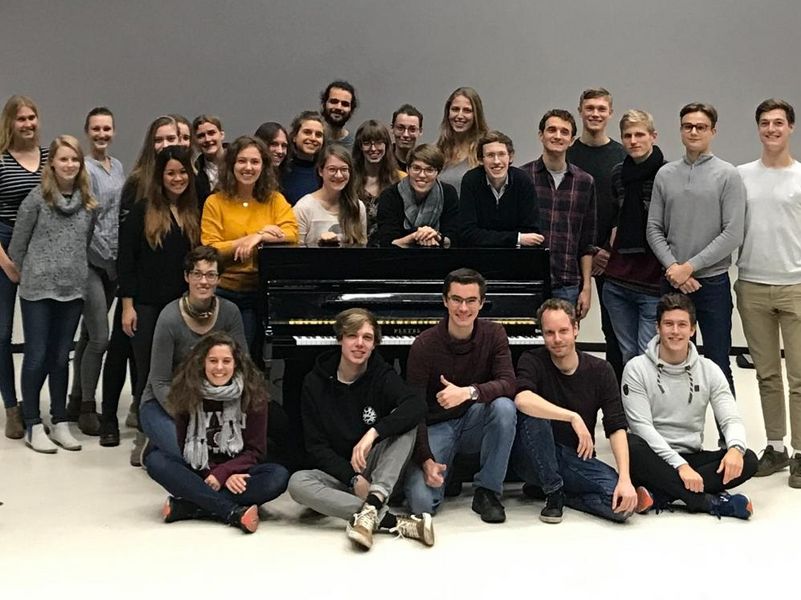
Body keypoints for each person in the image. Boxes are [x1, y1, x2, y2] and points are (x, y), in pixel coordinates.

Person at [288, 308, 433, 550]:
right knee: (297, 483)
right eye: (352, 336)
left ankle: (374, 501)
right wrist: (352, 478)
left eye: (367, 338)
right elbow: (316, 447)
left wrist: (374, 432)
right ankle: (389, 519)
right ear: (340, 339)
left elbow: (416, 405)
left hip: (379, 472)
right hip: (341, 476)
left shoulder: (381, 374)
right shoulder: (315, 382)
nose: (359, 344)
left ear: (374, 344)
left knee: (408, 424)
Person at [623, 294, 759, 518]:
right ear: (657, 327)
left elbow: (731, 419)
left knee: (748, 459)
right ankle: (709, 502)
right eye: (668, 324)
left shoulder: (709, 369)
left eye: (682, 325)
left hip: (692, 456)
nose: (675, 331)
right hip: (653, 457)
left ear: (693, 330)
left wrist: (735, 448)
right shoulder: (636, 369)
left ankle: (662, 494)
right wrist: (680, 466)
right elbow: (642, 428)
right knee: (631, 445)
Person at [144, 332, 289, 534]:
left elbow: (255, 451)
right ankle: (231, 511)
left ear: (236, 364)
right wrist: (212, 474)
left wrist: (225, 473)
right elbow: (185, 447)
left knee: (277, 476)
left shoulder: (253, 395)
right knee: (155, 460)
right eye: (213, 361)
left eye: (226, 361)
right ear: (202, 363)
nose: (219, 367)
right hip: (200, 469)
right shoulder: (186, 393)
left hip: (239, 470)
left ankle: (191, 506)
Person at [646, 102, 746, 394]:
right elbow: (654, 228)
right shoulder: (665, 174)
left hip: (712, 285)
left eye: (700, 127)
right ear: (680, 130)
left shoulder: (728, 175)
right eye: (687, 126)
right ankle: (674, 424)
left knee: (717, 363)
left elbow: (732, 234)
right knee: (671, 361)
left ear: (713, 131)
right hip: (672, 283)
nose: (693, 132)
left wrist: (689, 268)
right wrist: (674, 268)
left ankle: (727, 425)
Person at [511, 298, 640, 523]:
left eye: (563, 331)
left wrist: (625, 479)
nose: (557, 339)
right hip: (533, 457)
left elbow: (616, 425)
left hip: (575, 458)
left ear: (576, 329)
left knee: (621, 507)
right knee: (535, 415)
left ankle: (561, 494)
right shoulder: (532, 360)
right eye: (549, 333)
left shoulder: (601, 370)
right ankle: (553, 491)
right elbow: (522, 399)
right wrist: (572, 417)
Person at [404, 269, 517, 522]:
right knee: (421, 504)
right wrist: (425, 459)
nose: (463, 308)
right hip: (436, 427)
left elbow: (509, 383)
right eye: (456, 299)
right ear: (445, 301)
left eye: (471, 300)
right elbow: (414, 408)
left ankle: (487, 491)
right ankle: (450, 470)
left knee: (504, 407)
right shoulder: (425, 344)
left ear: (482, 303)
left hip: (475, 421)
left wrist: (468, 392)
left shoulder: (494, 334)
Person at [8, 135, 97, 453]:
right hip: (38, 291)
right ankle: (33, 423)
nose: (69, 165)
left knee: (61, 357)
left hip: (72, 289)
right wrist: (28, 273)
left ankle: (60, 421)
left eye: (75, 159)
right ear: (52, 164)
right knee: (36, 356)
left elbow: (84, 242)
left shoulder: (88, 203)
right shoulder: (36, 199)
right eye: (63, 159)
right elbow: (18, 245)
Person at [114, 245, 246, 449]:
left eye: (211, 275)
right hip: (166, 402)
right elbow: (159, 382)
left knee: (222, 450)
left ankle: (159, 450)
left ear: (219, 279)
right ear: (187, 277)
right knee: (188, 450)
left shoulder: (230, 313)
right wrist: (190, 417)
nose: (203, 281)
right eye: (197, 274)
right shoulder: (169, 317)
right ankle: (151, 447)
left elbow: (243, 366)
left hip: (214, 400)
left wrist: (220, 410)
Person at [118, 145, 199, 463]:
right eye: (171, 173)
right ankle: (144, 434)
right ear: (160, 176)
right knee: (148, 374)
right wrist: (127, 305)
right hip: (146, 305)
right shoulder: (143, 210)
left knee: (180, 371)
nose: (177, 178)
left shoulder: (194, 210)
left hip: (182, 306)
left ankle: (173, 433)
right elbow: (126, 259)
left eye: (182, 172)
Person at [736, 98, 801, 488]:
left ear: (790, 127)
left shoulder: (800, 177)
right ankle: (776, 448)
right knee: (766, 374)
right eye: (765, 123)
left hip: (795, 286)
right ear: (758, 128)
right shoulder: (741, 176)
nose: (772, 129)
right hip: (752, 285)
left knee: (800, 376)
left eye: (779, 122)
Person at [103, 115, 180, 434]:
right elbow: (128, 248)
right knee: (122, 349)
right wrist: (127, 299)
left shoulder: (186, 188)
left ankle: (142, 411)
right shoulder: (138, 181)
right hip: (138, 291)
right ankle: (109, 417)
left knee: (154, 361)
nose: (165, 144)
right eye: (159, 139)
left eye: (171, 138)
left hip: (168, 293)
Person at [201, 135, 298, 351]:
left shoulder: (275, 200)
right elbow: (211, 248)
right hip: (223, 291)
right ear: (231, 165)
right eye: (242, 161)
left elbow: (292, 233)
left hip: (258, 291)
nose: (248, 167)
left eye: (255, 162)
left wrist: (259, 236)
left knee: (247, 354)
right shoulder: (215, 202)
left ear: (263, 166)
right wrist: (247, 239)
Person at [67, 107, 125, 436]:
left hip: (113, 264)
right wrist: (100, 256)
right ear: (87, 132)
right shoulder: (84, 170)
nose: (102, 134)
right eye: (96, 129)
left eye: (107, 129)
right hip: (90, 262)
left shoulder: (117, 167)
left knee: (89, 335)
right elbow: (83, 220)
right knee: (101, 338)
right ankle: (89, 407)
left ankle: (76, 398)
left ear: (113, 132)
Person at [567, 88, 627, 381]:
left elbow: (624, 210)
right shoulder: (568, 153)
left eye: (601, 109)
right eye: (589, 108)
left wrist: (604, 251)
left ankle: (615, 394)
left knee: (614, 331)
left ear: (610, 114)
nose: (595, 114)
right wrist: (586, 251)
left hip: (610, 258)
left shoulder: (621, 156)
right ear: (580, 110)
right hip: (571, 256)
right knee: (564, 327)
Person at [0, 95, 48, 440]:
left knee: (39, 339)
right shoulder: (1, 162)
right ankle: (11, 406)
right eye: (21, 119)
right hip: (4, 250)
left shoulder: (49, 158)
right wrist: (6, 262)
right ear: (10, 123)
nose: (28, 124)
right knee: (2, 334)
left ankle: (33, 405)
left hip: (42, 252)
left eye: (32, 118)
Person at [602, 110, 666, 365]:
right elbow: (615, 216)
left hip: (651, 282)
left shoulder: (666, 174)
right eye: (627, 136)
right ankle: (630, 394)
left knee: (647, 355)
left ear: (653, 136)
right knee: (627, 354)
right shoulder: (618, 173)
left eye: (640, 134)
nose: (633, 141)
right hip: (618, 280)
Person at [521, 109, 596, 317]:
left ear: (571, 140)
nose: (557, 136)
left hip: (567, 282)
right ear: (541, 135)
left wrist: (586, 288)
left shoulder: (584, 182)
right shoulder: (522, 177)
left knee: (563, 336)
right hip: (529, 279)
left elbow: (587, 241)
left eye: (564, 132)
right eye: (551, 130)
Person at [458, 130, 542, 247]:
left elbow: (532, 233)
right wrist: (516, 238)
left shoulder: (523, 181)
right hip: (479, 255)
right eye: (490, 155)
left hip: (516, 255)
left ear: (510, 157)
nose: (496, 161)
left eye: (501, 154)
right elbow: (467, 233)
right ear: (481, 160)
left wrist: (489, 237)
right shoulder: (471, 181)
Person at [375, 144, 459, 248]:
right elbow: (387, 242)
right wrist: (416, 236)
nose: (422, 175)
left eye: (429, 170)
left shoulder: (448, 193)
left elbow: (453, 238)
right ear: (407, 169)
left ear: (438, 172)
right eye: (416, 168)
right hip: (398, 256)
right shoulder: (390, 196)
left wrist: (437, 237)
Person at [293, 145, 366, 246]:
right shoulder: (304, 208)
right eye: (332, 169)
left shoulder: (357, 207)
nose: (339, 175)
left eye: (344, 169)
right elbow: (296, 250)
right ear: (320, 171)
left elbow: (362, 247)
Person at [351, 120, 402, 245]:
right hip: (356, 248)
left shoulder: (401, 179)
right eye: (367, 143)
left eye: (379, 142)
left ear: (386, 145)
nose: (373, 149)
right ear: (360, 146)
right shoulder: (349, 180)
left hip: (390, 249)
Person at [436, 87, 489, 194]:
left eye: (467, 110)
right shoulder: (438, 150)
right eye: (455, 109)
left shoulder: (485, 150)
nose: (460, 116)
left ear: (476, 115)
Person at [282, 111, 325, 206]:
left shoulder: (326, 172)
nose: (313, 138)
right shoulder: (282, 170)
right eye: (307, 132)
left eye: (318, 135)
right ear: (294, 137)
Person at [192, 114, 225, 210]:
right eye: (201, 136)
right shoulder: (194, 172)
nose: (207, 139)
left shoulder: (238, 163)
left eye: (211, 133)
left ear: (222, 135)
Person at [320, 80, 357, 150]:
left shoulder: (356, 146)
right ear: (324, 104)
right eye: (334, 102)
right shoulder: (313, 140)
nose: (338, 107)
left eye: (345, 104)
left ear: (351, 110)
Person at [391, 104, 423, 172]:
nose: (406, 135)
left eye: (412, 129)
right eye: (400, 128)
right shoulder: (382, 160)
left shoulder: (426, 162)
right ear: (392, 129)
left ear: (420, 132)